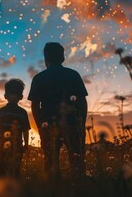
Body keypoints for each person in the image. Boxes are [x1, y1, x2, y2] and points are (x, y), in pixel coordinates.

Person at [28, 42, 88, 181]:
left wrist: (40, 129)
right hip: (73, 124)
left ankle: (53, 190)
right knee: (77, 161)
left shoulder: (39, 78)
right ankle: (79, 188)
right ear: (63, 58)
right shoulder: (73, 75)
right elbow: (82, 102)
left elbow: (35, 106)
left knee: (50, 163)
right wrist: (82, 125)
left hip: (49, 126)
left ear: (45, 59)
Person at [0, 79, 30, 178]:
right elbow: (25, 130)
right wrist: (26, 144)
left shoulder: (0, 112)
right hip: (17, 147)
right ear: (21, 97)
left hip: (1, 147)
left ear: (5, 96)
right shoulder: (23, 112)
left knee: (0, 171)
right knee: (14, 171)